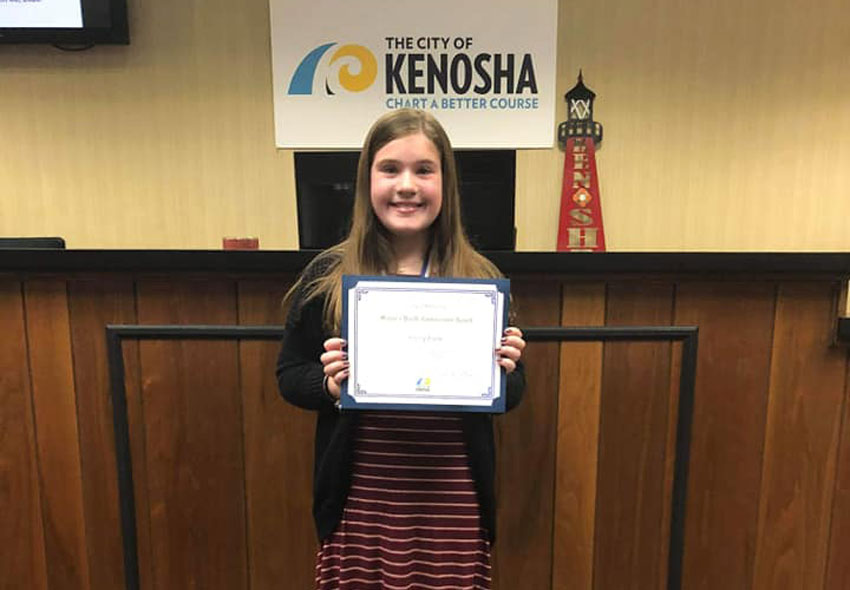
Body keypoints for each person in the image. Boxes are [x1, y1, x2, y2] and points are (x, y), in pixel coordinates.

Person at [276, 108, 526, 590]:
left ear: (445, 184)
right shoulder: (327, 278)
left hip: (452, 497)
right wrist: (328, 383)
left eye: (424, 170)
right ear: (367, 179)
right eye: (389, 168)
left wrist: (508, 369)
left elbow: (512, 393)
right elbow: (288, 374)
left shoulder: (481, 280)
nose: (406, 185)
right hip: (361, 497)